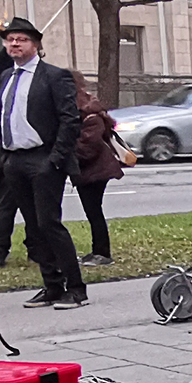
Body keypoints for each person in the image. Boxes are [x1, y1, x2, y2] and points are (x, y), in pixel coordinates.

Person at [0, 18, 86, 307]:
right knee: (34, 227)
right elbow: (0, 112)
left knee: (50, 224)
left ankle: (75, 288)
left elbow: (69, 120)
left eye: (21, 39)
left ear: (35, 44)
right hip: (14, 159)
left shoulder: (53, 76)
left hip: (44, 158)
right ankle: (51, 285)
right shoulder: (6, 77)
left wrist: (55, 159)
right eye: (10, 39)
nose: (14, 44)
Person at [70, 76, 125, 270]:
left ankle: (103, 253)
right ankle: (98, 251)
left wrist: (66, 149)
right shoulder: (85, 110)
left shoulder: (89, 115)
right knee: (93, 211)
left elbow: (87, 148)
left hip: (95, 171)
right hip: (92, 170)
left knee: (94, 212)